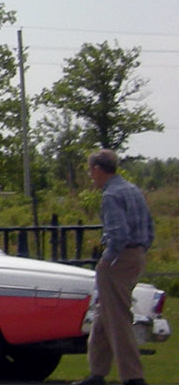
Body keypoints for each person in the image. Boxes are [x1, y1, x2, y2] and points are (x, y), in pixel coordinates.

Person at [74, 150, 154, 385]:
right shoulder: (132, 190)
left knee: (118, 318)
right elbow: (149, 229)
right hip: (136, 255)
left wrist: (107, 260)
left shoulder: (111, 195)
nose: (91, 177)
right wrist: (139, 252)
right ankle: (97, 373)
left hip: (118, 259)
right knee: (102, 314)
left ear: (98, 170)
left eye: (91, 171)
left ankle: (133, 377)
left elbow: (118, 234)